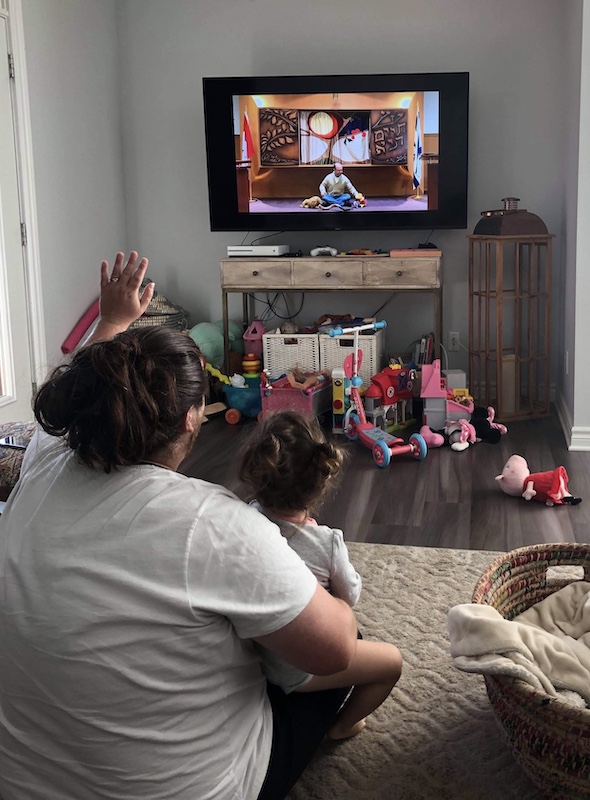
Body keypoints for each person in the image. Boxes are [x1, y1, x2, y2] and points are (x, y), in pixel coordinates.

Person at [0, 252, 359, 800]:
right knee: (343, 647)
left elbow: (87, 383)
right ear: (193, 420)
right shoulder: (218, 524)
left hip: (23, 784)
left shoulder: (44, 457)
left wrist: (115, 319)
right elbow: (336, 650)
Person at [238, 410, 403, 740]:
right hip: (295, 669)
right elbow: (350, 596)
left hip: (254, 652)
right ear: (321, 481)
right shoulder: (326, 543)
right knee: (391, 662)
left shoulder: (244, 521)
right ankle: (343, 726)